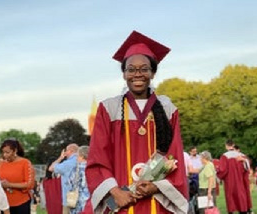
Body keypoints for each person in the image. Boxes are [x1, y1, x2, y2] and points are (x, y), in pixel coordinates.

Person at [83, 30, 188, 214]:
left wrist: (157, 187)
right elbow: (98, 158)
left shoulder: (168, 109)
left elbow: (174, 155)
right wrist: (115, 192)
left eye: (144, 69)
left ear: (153, 73)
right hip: (121, 201)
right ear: (124, 74)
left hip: (158, 201)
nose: (137, 74)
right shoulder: (109, 108)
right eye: (131, 69)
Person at [0, 139, 35, 214]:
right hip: (3, 204)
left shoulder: (25, 163)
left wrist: (9, 185)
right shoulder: (0, 164)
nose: (5, 155)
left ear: (15, 151)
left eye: (7, 152)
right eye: (3, 152)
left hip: (21, 204)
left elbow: (29, 184)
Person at [217, 139, 252, 214]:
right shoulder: (241, 155)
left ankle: (231, 211)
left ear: (226, 146)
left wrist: (217, 174)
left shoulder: (224, 156)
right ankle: (243, 211)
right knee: (241, 196)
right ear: (233, 145)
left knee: (231, 198)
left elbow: (223, 170)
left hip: (230, 182)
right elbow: (247, 168)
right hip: (241, 181)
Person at [48, 143, 79, 214]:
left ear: (71, 151)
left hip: (69, 198)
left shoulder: (67, 163)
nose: (65, 152)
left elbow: (51, 168)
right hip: (83, 198)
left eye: (66, 150)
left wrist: (61, 157)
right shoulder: (83, 161)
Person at [69, 146, 90, 214]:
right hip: (90, 201)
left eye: (77, 156)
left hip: (77, 200)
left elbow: (70, 183)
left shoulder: (75, 169)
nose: (76, 158)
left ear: (82, 156)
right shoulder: (93, 169)